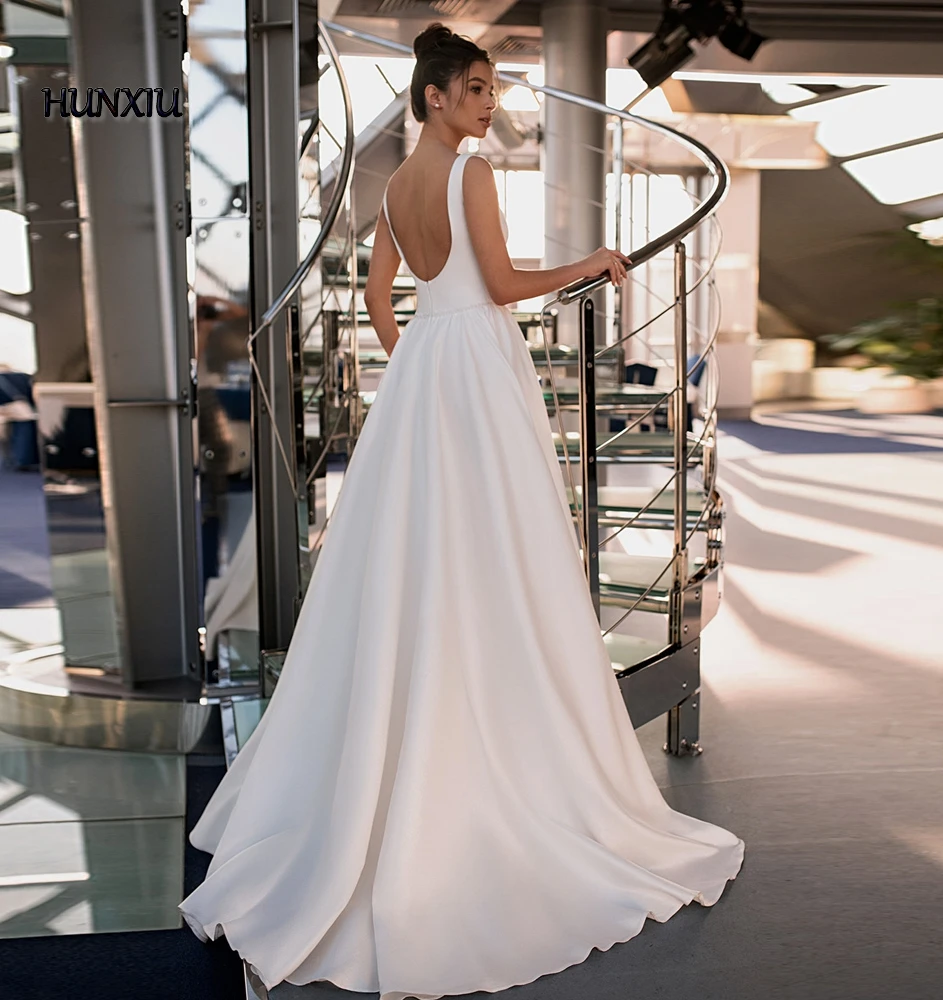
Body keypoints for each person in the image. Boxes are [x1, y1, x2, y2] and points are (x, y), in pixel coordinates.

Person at [178, 23, 744, 999]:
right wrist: (596, 261)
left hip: (426, 375)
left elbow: (381, 290)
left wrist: (413, 349)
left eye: (489, 90)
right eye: (476, 90)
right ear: (435, 96)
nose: (489, 106)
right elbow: (504, 284)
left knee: (411, 552)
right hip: (476, 367)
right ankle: (490, 738)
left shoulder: (393, 183)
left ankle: (410, 731)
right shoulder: (467, 173)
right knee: (497, 551)